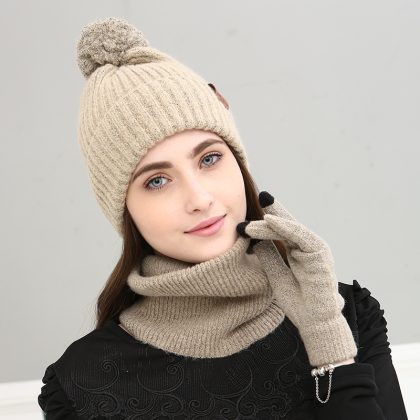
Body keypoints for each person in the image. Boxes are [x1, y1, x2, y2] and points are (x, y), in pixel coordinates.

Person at [38, 17, 408, 419]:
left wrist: (328, 342)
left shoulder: (346, 315)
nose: (199, 198)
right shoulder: (80, 383)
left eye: (209, 159)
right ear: (124, 208)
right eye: (157, 180)